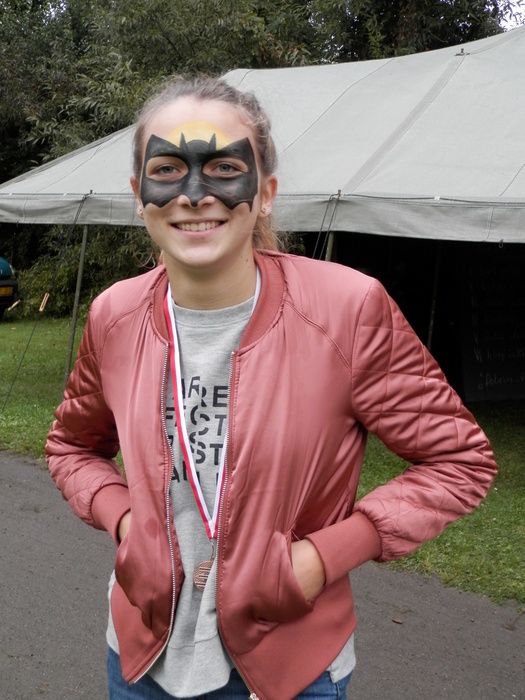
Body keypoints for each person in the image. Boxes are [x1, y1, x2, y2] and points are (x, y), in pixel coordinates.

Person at [46, 76, 497, 700]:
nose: (194, 195)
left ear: (264, 194)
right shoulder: (114, 316)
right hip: (142, 659)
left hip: (288, 668)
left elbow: (460, 460)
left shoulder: (346, 310)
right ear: (138, 195)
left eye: (225, 169)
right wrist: (125, 524)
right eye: (168, 169)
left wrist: (321, 558)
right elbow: (71, 447)